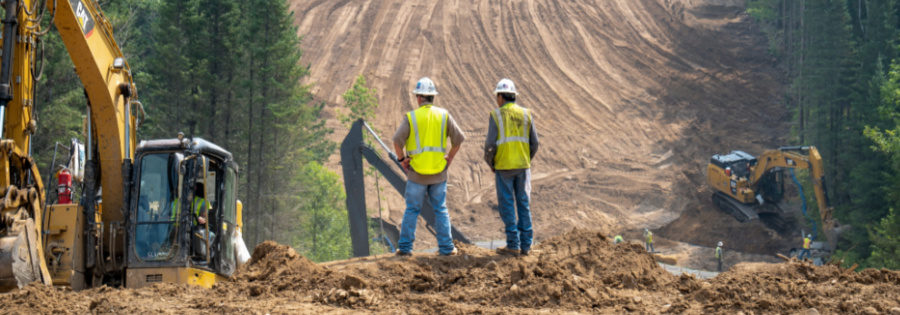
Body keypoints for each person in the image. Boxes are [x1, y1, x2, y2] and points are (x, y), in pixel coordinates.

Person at [392, 77, 465, 257]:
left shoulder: (412, 117)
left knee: (412, 209)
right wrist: (450, 158)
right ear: (433, 97)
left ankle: (406, 248)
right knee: (440, 209)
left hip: (416, 174)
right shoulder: (444, 115)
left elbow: (396, 141)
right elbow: (459, 139)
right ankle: (447, 248)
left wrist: (402, 160)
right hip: (438, 173)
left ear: (419, 98)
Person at [484, 78, 540, 256]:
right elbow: (535, 143)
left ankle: (513, 244)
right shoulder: (526, 114)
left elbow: (490, 145)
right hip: (522, 167)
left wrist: (491, 163)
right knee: (523, 204)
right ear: (514, 96)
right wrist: (526, 158)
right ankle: (526, 245)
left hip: (503, 168)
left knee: (507, 205)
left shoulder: (496, 115)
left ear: (501, 97)